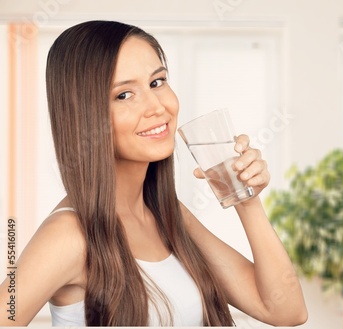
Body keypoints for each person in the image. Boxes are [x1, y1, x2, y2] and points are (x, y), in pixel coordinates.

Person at [0, 20, 307, 326]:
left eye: (157, 82)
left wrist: (246, 200)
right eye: (123, 95)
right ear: (85, 115)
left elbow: (284, 311)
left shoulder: (167, 215)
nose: (156, 107)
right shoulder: (70, 234)